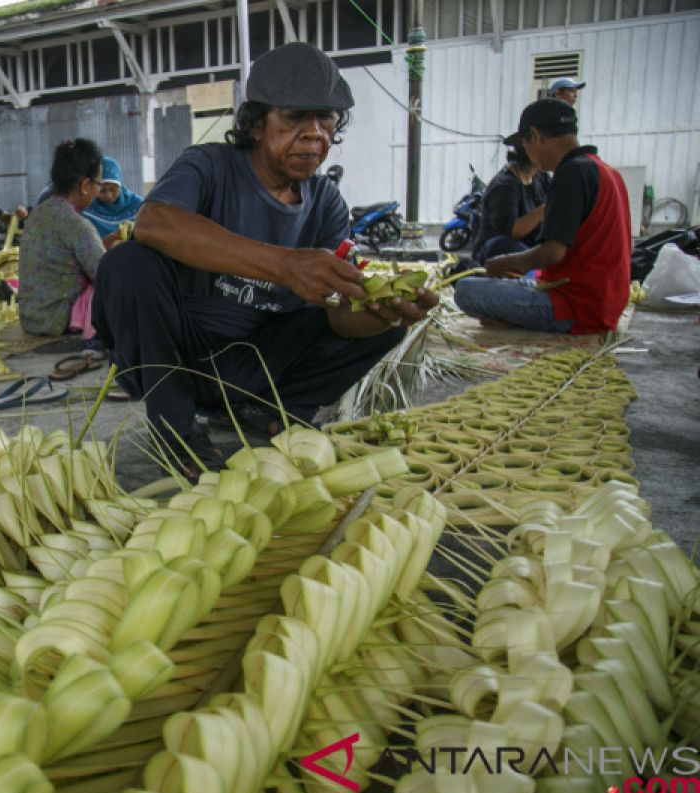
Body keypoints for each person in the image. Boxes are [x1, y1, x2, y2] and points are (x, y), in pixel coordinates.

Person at [91, 42, 438, 479]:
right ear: (256, 125)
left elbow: (334, 319)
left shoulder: (326, 202)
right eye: (294, 118)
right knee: (127, 263)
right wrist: (285, 265)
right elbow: (154, 223)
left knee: (386, 328)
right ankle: (176, 430)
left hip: (261, 364)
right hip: (181, 356)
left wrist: (378, 314)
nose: (315, 133)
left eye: (326, 119)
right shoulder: (210, 165)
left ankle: (270, 410)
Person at [455, 99, 630, 335]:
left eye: (525, 145)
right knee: (509, 282)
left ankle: (523, 317)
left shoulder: (571, 172)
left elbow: (552, 252)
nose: (527, 154)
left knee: (466, 290)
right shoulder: (607, 171)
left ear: (536, 136)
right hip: (606, 301)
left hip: (577, 306)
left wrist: (504, 263)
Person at [18, 138, 107, 337]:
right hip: (57, 321)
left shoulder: (37, 214)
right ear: (85, 185)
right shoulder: (76, 225)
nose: (98, 191)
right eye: (99, 184)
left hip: (30, 318)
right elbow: (104, 275)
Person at [471, 147, 551, 263]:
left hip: (530, 245)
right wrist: (546, 208)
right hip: (499, 250)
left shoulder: (541, 177)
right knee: (503, 244)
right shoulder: (504, 186)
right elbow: (513, 231)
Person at [81, 157, 144, 243]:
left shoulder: (137, 205)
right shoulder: (85, 207)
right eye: (102, 190)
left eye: (113, 189)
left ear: (120, 186)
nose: (108, 196)